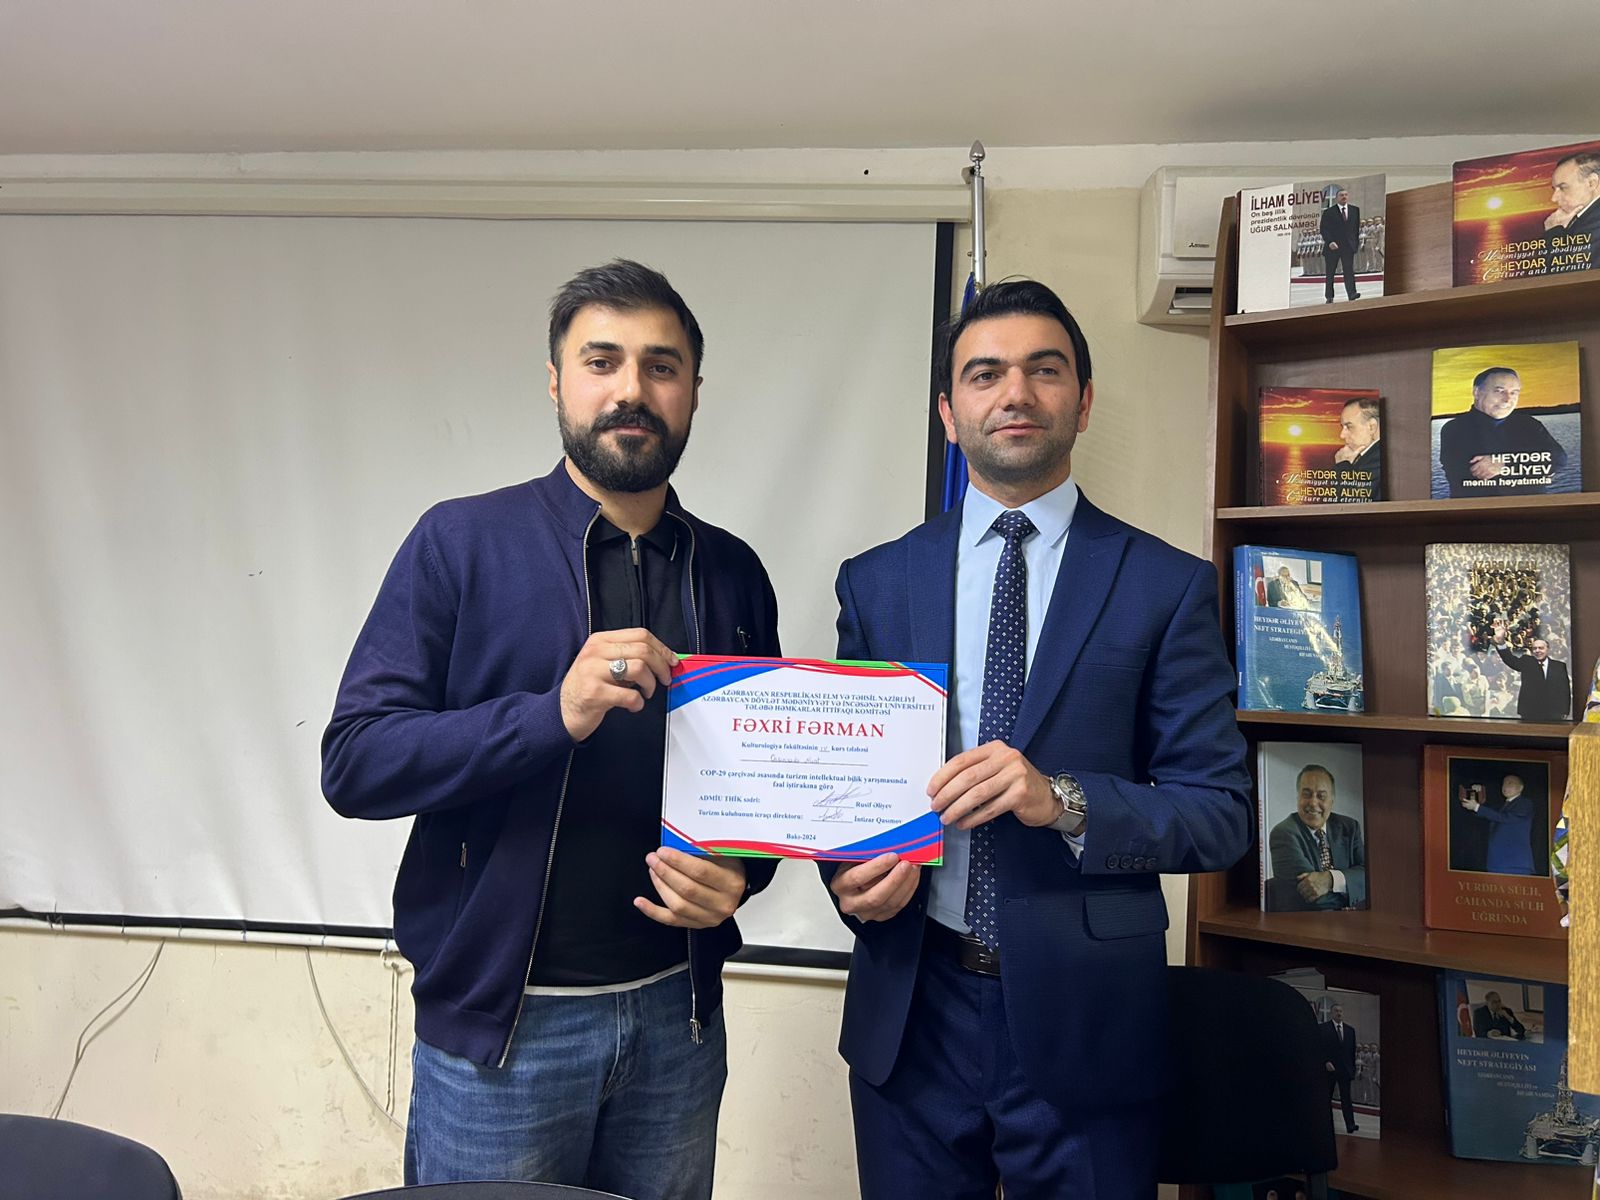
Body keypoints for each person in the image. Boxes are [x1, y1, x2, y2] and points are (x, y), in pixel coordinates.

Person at [320, 260, 781, 1196]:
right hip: (507, 1033)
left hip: (680, 1021)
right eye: (601, 361)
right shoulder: (460, 542)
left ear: (694, 390)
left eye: (661, 366)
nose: (631, 390)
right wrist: (551, 716)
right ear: (557, 382)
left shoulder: (733, 571)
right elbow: (356, 761)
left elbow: (762, 786)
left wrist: (743, 875)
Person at [820, 279, 1252, 1199]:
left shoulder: (1166, 586)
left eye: (1043, 370)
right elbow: (847, 787)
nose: (1014, 393)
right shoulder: (876, 583)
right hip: (912, 1012)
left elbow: (1218, 814)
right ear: (949, 414)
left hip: (1089, 1024)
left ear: (1082, 401)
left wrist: (1063, 801)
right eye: (984, 374)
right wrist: (848, 878)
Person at [1437, 367, 1567, 498]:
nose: (1507, 400)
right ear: (1477, 392)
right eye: (1499, 391)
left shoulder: (1530, 424)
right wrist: (1534, 465)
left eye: (1514, 393)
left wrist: (1504, 465)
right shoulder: (1454, 429)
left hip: (1532, 507)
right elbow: (1472, 473)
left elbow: (1559, 460)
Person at [1267, 764, 1367, 911]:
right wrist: (1355, 892)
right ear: (1298, 797)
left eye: (1321, 796)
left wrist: (1330, 879)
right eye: (1306, 794)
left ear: (1332, 801)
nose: (1313, 803)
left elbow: (1369, 876)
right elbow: (1314, 899)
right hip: (1306, 921)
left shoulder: (1350, 827)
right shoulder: (1283, 834)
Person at [1492, 617, 1572, 723]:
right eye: (1535, 648)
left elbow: (1564, 690)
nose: (1538, 651)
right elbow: (1510, 660)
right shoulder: (1527, 662)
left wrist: (1565, 711)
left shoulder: (1559, 666)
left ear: (1547, 650)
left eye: (1541, 648)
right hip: (1530, 712)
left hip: (1553, 713)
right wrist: (1501, 642)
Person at [1460, 774, 1539, 876]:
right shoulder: (1501, 806)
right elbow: (1484, 812)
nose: (1505, 786)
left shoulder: (1525, 803)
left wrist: (1477, 807)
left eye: (1510, 783)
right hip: (1496, 863)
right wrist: (1476, 794)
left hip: (1516, 863)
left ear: (1521, 788)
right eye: (1504, 784)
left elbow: (1504, 818)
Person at [1542, 150, 1600, 269]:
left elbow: (1565, 272)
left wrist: (1553, 232)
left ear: (1592, 183)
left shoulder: (1595, 223)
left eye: (1563, 188)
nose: (1554, 198)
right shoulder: (1588, 219)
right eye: (1555, 189)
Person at [1319, 1003, 1360, 1134]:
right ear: (1332, 1013)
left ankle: (1350, 1124)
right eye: (1336, 1011)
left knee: (1346, 1098)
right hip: (1329, 1069)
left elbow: (1351, 1052)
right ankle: (1322, 1124)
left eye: (1341, 1011)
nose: (1339, 1013)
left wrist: (1352, 1070)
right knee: (1326, 1098)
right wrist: (1325, 1061)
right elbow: (1318, 1048)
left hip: (1345, 1070)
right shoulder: (1323, 1028)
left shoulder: (1350, 1030)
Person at [1332, 396, 1381, 501]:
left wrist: (1342, 465)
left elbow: (1350, 504)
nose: (1342, 435)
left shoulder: (1376, 461)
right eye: (1343, 427)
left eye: (1349, 426)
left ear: (1372, 427)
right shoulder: (1372, 456)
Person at [1320, 187, 1362, 302]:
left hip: (1348, 247)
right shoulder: (1329, 212)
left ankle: (1352, 294)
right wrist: (1330, 241)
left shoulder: (1355, 210)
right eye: (1341, 195)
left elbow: (1355, 229)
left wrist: (1355, 244)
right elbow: (1324, 229)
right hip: (1333, 247)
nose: (1344, 197)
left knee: (1349, 271)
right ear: (1336, 198)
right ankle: (1329, 296)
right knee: (1330, 273)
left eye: (1345, 195)